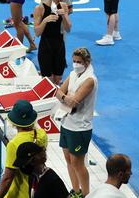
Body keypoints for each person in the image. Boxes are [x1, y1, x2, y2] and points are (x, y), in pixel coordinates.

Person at [55, 47, 98, 197]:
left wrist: (65, 97)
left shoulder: (90, 80)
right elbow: (58, 92)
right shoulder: (73, 74)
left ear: (87, 62)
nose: (75, 64)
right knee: (68, 160)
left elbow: (74, 102)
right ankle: (76, 191)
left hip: (80, 128)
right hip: (66, 123)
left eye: (79, 62)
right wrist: (66, 97)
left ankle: (86, 194)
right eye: (74, 61)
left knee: (78, 164)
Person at [0, 100, 48, 198]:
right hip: (36, 189)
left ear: (13, 121)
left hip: (19, 193)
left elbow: (7, 178)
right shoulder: (42, 134)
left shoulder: (14, 144)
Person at [34, 0, 71, 85]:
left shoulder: (63, 6)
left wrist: (64, 16)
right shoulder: (40, 8)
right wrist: (45, 20)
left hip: (59, 46)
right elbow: (37, 33)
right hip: (46, 47)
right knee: (48, 81)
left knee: (58, 79)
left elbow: (68, 29)